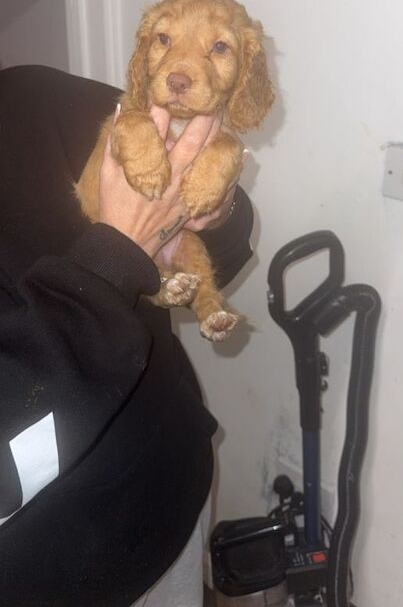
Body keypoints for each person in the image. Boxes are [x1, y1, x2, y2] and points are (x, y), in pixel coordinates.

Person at [0, 65, 254, 606]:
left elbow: (228, 247)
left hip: (174, 489)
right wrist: (119, 252)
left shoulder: (42, 95)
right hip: (50, 577)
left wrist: (217, 208)